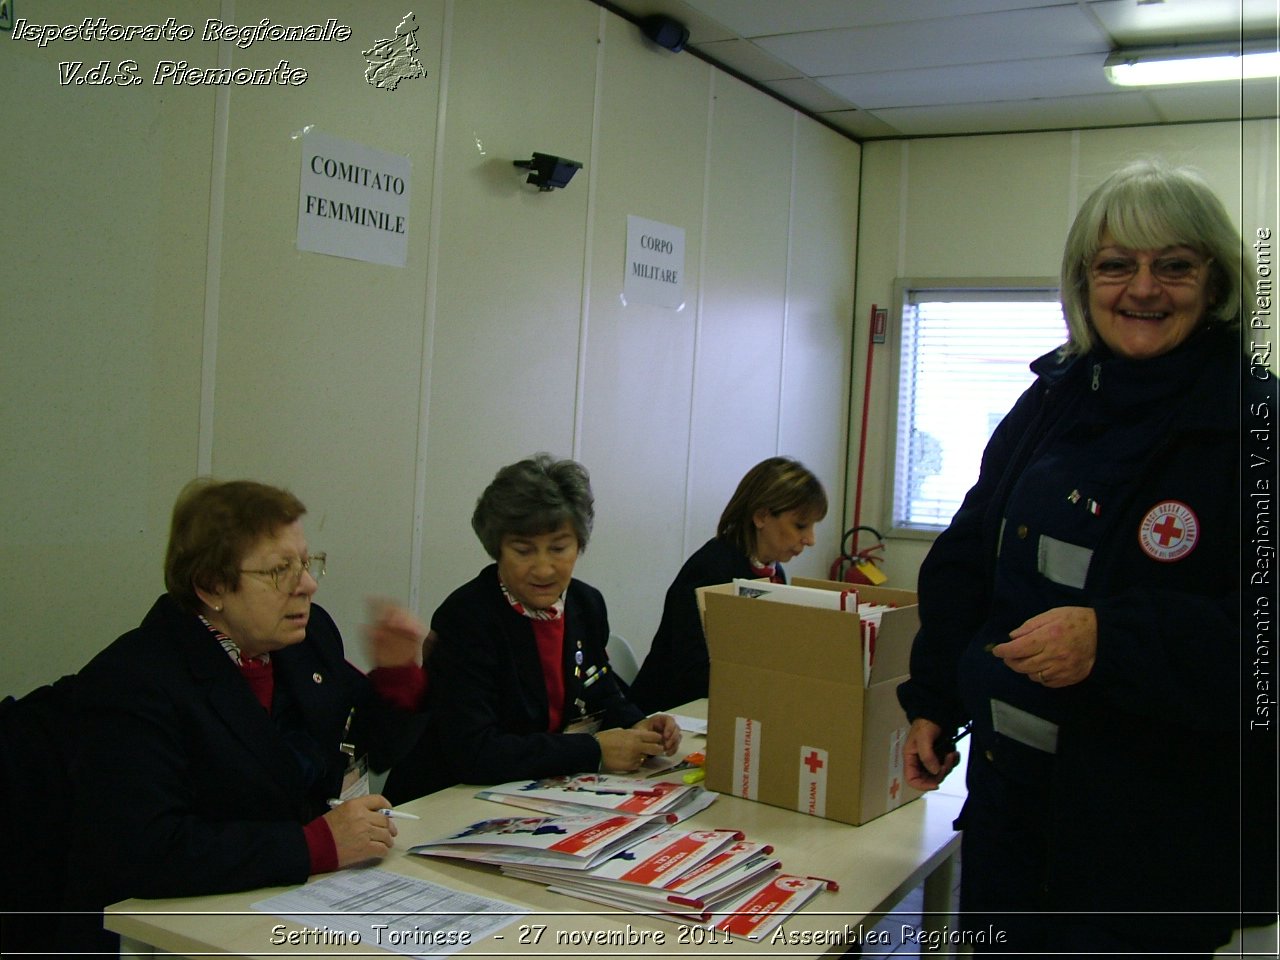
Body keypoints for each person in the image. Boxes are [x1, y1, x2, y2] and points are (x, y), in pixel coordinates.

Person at [896, 160, 1272, 955]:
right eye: (1116, 266)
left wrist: (1116, 640)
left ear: (1215, 282)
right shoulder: (1053, 399)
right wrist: (932, 697)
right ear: (1083, 281)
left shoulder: (1255, 429)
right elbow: (968, 554)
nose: (1143, 288)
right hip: (1010, 813)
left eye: (1174, 265)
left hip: (1150, 852)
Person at [64, 479, 428, 948]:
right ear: (212, 585)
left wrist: (397, 673)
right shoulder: (135, 681)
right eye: (281, 569)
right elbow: (147, 850)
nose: (309, 585)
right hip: (181, 931)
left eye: (307, 562)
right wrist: (314, 845)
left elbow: (371, 749)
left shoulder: (303, 638)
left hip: (303, 905)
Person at [385, 455, 680, 803]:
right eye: (524, 550)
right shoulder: (466, 617)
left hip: (540, 792)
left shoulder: (585, 604)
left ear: (579, 545)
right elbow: (475, 752)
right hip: (448, 799)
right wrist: (592, 750)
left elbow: (599, 691)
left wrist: (638, 725)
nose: (543, 569)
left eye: (559, 548)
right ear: (497, 549)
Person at [627, 456, 827, 713]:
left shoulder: (776, 573)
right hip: (672, 715)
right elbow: (691, 673)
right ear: (762, 516)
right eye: (800, 526)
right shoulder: (710, 570)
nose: (810, 539)